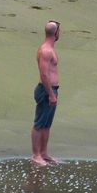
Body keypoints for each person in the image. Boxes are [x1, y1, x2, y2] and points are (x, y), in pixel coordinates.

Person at [31, 20, 61, 167]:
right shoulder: (45, 51)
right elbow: (44, 75)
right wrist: (51, 94)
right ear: (55, 33)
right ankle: (36, 155)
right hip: (45, 90)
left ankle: (44, 153)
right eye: (59, 31)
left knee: (47, 124)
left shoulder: (50, 49)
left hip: (52, 90)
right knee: (39, 123)